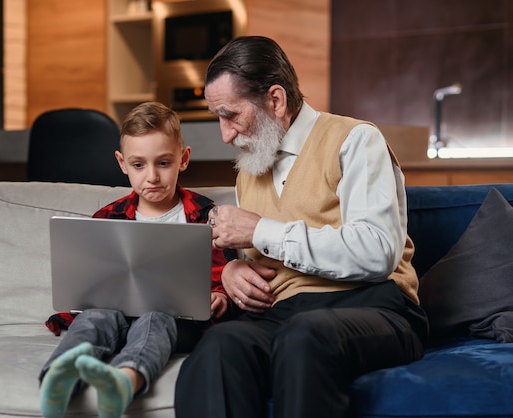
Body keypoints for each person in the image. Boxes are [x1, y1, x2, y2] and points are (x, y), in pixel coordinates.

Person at [174, 36, 428, 418]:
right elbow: (258, 258)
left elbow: (377, 251)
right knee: (219, 345)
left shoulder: (356, 140)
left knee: (306, 336)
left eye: (231, 115)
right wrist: (233, 270)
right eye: (218, 118)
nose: (226, 135)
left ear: (275, 100)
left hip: (375, 305)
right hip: (285, 311)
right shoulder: (249, 172)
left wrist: (260, 230)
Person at [39, 101, 235, 418]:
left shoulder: (206, 216)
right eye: (139, 165)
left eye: (164, 163)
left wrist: (219, 296)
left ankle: (124, 380)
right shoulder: (107, 218)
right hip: (116, 313)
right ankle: (59, 377)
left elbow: (223, 274)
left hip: (176, 321)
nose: (152, 177)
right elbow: (85, 279)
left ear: (183, 159)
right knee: (95, 317)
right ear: (122, 164)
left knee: (155, 317)